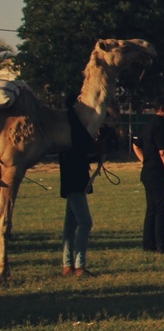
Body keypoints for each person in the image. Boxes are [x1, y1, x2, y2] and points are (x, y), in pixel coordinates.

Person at [134, 96, 164, 253]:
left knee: (152, 210)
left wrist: (145, 161)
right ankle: (163, 246)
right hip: (160, 175)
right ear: (163, 107)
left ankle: (149, 245)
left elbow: (136, 146)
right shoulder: (161, 126)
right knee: (162, 211)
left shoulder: (149, 125)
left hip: (148, 173)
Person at [59, 95, 99, 277]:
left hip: (70, 181)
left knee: (70, 225)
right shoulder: (73, 130)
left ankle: (68, 265)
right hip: (75, 182)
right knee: (84, 222)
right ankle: (79, 266)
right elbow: (81, 151)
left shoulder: (64, 131)